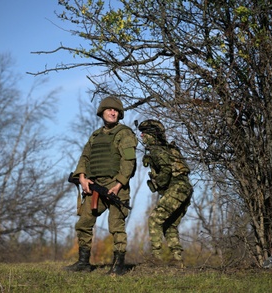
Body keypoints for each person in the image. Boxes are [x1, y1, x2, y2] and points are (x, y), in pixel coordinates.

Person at [65, 96, 137, 275]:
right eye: (109, 110)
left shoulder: (124, 134)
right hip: (95, 186)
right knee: (83, 223)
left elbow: (129, 162)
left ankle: (118, 265)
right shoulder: (95, 136)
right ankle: (83, 263)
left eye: (116, 111)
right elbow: (85, 158)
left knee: (116, 225)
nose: (113, 112)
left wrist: (119, 184)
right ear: (102, 112)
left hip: (115, 187)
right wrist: (81, 177)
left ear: (119, 114)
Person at [138, 119, 193, 268]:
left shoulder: (157, 150)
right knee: (169, 224)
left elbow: (167, 170)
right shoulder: (167, 148)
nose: (141, 136)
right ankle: (177, 259)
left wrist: (158, 182)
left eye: (144, 133)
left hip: (177, 187)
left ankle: (155, 258)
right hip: (186, 188)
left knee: (155, 220)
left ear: (151, 135)